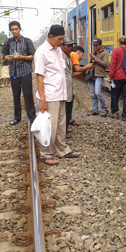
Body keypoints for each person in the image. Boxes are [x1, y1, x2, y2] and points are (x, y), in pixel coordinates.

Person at [34, 25, 80, 165]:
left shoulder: (58, 51)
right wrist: (43, 99)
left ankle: (62, 149)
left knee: (61, 124)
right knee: (50, 126)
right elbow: (39, 77)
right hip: (49, 95)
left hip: (61, 94)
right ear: (50, 37)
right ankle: (45, 153)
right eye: (59, 39)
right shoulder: (41, 52)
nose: (62, 42)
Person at [1, 21, 36, 126]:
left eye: (16, 29)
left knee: (28, 95)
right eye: (12, 29)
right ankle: (17, 118)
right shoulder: (7, 42)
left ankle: (32, 118)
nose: (14, 31)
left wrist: (21, 57)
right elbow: (4, 56)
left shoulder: (27, 41)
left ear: (20, 29)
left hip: (25, 72)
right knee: (16, 95)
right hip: (14, 72)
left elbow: (33, 56)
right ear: (10, 31)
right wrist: (9, 58)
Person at [60, 36, 80, 139]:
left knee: (68, 109)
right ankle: (62, 132)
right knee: (64, 111)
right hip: (63, 89)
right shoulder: (61, 56)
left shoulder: (67, 56)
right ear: (62, 46)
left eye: (72, 45)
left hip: (68, 88)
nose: (71, 48)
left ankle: (64, 129)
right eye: (68, 45)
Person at [87, 38, 108, 117]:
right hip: (91, 75)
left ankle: (104, 109)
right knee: (92, 94)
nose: (95, 47)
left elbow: (105, 64)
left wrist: (95, 59)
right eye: (94, 45)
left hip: (99, 75)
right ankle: (95, 110)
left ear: (100, 45)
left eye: (96, 45)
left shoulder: (104, 53)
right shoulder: (94, 53)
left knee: (98, 93)